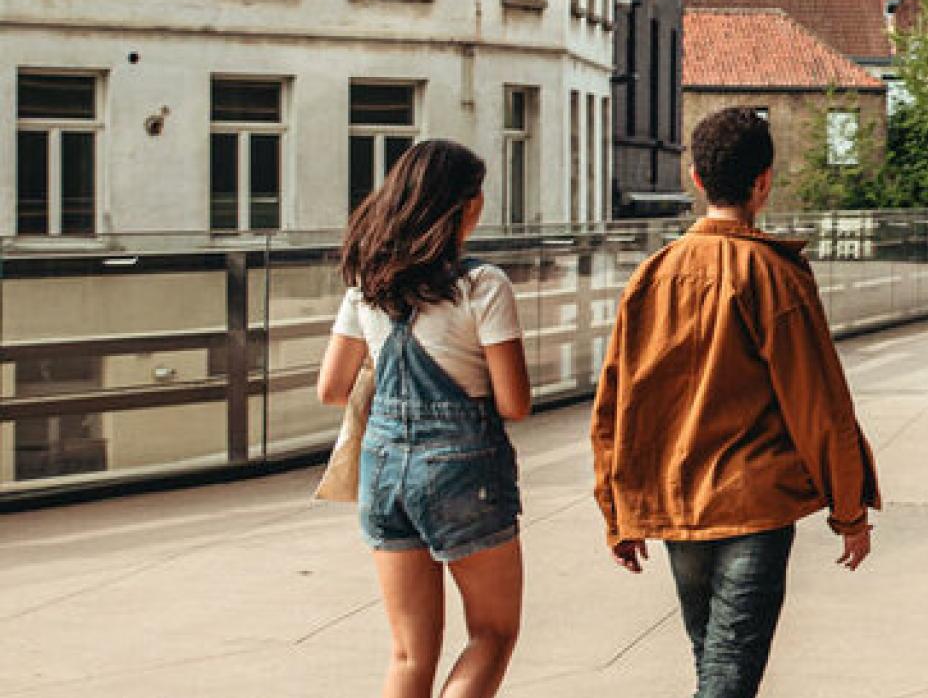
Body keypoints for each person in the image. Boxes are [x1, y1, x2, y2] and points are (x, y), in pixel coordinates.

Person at [590, 107, 882, 698]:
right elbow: (820, 404)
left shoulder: (651, 276)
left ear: (694, 178)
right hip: (753, 503)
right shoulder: (773, 275)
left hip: (679, 506)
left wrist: (615, 507)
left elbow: (615, 405)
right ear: (764, 181)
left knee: (715, 666)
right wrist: (849, 509)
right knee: (727, 677)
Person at [317, 140, 531, 698]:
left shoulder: (367, 281)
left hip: (383, 468)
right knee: (492, 633)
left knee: (410, 653)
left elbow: (332, 388)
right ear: (465, 206)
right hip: (464, 472)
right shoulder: (482, 285)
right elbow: (514, 403)